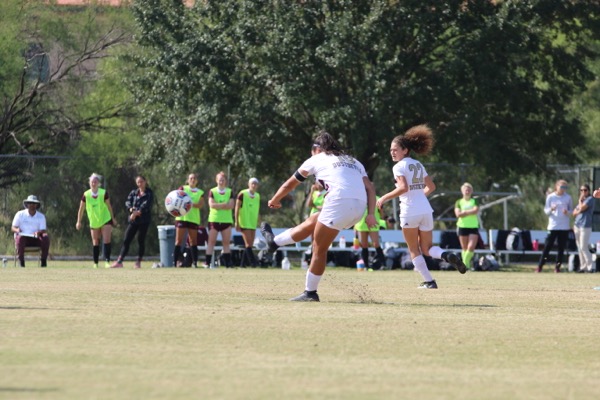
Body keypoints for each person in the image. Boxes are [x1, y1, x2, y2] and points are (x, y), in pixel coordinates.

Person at [261, 130, 378, 302]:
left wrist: (275, 199)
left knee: (319, 247)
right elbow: (370, 188)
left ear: (318, 148)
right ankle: (275, 242)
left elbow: (290, 183)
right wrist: (371, 214)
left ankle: (310, 293)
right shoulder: (354, 161)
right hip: (359, 208)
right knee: (314, 219)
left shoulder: (317, 158)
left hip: (339, 203)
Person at [376, 125, 466, 289]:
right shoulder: (417, 164)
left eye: (395, 149)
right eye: (391, 150)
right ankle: (446, 255)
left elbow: (403, 188)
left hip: (410, 211)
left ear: (405, 150)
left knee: (414, 250)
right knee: (428, 248)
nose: (392, 153)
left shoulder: (398, 166)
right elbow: (431, 187)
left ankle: (429, 281)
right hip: (425, 210)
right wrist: (418, 197)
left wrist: (384, 197)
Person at [111, 176, 154, 269]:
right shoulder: (134, 193)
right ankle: (119, 261)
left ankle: (138, 262)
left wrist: (137, 213)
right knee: (126, 239)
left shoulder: (149, 193)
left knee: (140, 240)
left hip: (144, 221)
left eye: (141, 181)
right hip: (133, 221)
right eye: (138, 182)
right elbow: (127, 202)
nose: (140, 184)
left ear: (145, 182)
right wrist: (131, 210)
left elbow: (146, 205)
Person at [76, 173, 116, 268]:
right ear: (89, 183)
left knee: (106, 240)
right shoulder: (86, 195)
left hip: (105, 218)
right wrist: (78, 221)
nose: (94, 183)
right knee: (95, 241)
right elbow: (81, 209)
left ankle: (107, 261)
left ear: (98, 183)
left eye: (95, 181)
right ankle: (96, 263)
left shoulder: (103, 193)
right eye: (92, 182)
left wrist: (112, 218)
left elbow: (109, 206)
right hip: (94, 221)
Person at [536, 179, 573, 273]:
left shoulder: (568, 197)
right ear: (556, 186)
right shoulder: (551, 197)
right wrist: (551, 209)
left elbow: (571, 211)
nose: (563, 189)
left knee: (561, 248)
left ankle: (557, 267)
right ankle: (540, 266)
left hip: (564, 227)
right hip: (553, 226)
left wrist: (567, 212)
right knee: (547, 247)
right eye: (562, 187)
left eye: (565, 187)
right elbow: (546, 211)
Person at [174, 173, 204, 268]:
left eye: (194, 178)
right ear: (188, 180)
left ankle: (194, 262)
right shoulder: (183, 188)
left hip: (193, 218)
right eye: (191, 178)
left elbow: (200, 205)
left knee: (193, 241)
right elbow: (176, 198)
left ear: (197, 181)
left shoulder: (200, 192)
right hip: (182, 218)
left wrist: (188, 203)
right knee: (178, 240)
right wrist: (190, 203)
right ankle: (175, 262)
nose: (193, 180)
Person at [11, 195, 50, 267]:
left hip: (36, 238)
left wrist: (39, 232)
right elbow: (13, 227)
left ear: (36, 205)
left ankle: (43, 261)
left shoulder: (41, 216)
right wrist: (17, 230)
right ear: (27, 204)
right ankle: (21, 262)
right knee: (20, 238)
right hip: (23, 238)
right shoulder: (20, 214)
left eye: (34, 203)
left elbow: (43, 230)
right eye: (30, 203)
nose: (32, 205)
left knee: (45, 237)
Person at [206, 171, 235, 268]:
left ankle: (227, 264)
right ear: (216, 180)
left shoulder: (229, 191)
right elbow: (212, 204)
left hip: (226, 220)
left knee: (226, 243)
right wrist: (223, 205)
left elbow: (231, 205)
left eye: (223, 180)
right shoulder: (212, 191)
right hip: (214, 220)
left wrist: (219, 205)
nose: (221, 182)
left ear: (225, 181)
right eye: (219, 180)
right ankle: (207, 263)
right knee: (211, 242)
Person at [354, 194, 386, 270]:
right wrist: (355, 226)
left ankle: (383, 264)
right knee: (364, 245)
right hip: (361, 224)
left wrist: (381, 210)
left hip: (373, 223)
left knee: (376, 244)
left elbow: (382, 215)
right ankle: (366, 266)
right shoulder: (360, 197)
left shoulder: (378, 198)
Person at [234, 177, 261, 267]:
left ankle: (242, 264)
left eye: (255, 184)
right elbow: (237, 208)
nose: (253, 185)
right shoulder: (242, 194)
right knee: (248, 244)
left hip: (252, 223)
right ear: (248, 184)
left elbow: (257, 210)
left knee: (250, 244)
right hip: (244, 222)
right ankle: (253, 263)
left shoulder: (257, 196)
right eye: (252, 183)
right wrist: (236, 222)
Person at [454, 182, 480, 270]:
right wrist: (469, 211)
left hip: (473, 226)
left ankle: (464, 263)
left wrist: (464, 212)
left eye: (469, 189)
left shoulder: (474, 201)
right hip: (462, 226)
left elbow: (475, 211)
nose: (467, 191)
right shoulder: (459, 202)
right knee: (464, 248)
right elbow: (458, 214)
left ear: (471, 191)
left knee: (471, 247)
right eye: (465, 189)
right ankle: (466, 266)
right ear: (462, 191)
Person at [572, 184, 595, 273]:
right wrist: (579, 207)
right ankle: (583, 266)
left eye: (585, 190)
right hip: (577, 225)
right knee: (579, 247)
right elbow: (574, 213)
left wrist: (580, 201)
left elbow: (581, 208)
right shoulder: (582, 201)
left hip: (585, 226)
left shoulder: (590, 199)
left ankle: (590, 267)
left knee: (583, 247)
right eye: (581, 190)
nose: (583, 192)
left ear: (588, 191)